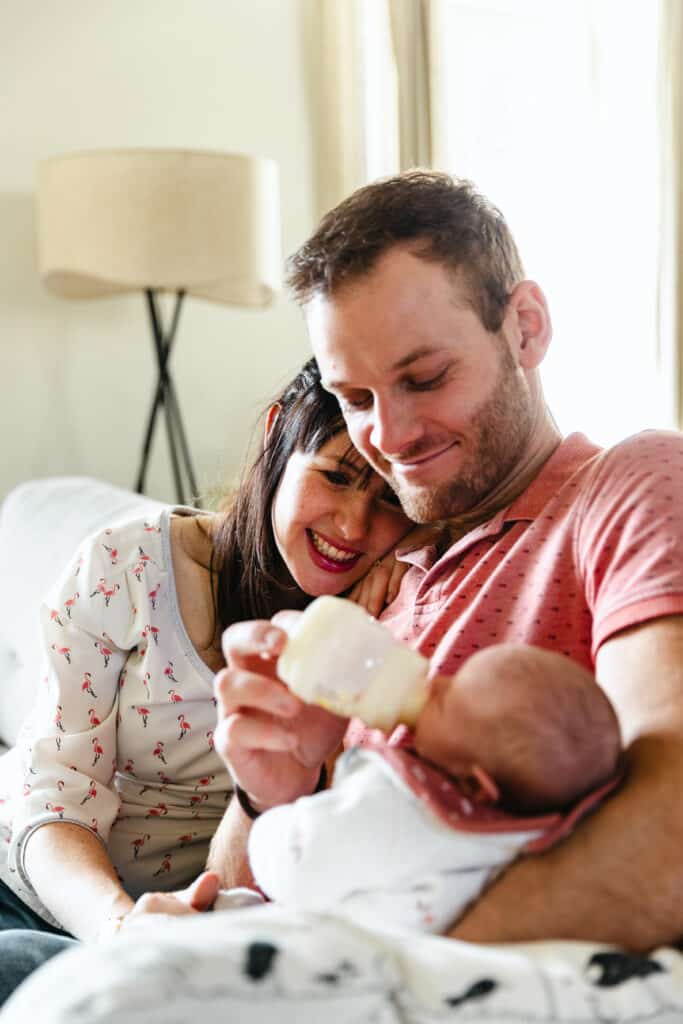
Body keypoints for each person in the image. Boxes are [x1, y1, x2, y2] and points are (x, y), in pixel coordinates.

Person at [211, 170, 683, 953]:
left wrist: (377, 998)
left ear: (525, 327)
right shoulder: (391, 579)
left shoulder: (632, 486)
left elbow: (671, 829)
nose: (388, 438)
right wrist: (270, 791)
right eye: (355, 400)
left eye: (423, 379)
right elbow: (247, 888)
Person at [0, 359, 413, 1003]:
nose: (354, 528)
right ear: (278, 435)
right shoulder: (126, 566)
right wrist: (117, 933)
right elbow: (54, 799)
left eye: (388, 499)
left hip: (181, 932)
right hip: (46, 894)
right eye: (335, 477)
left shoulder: (381, 611)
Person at [248, 642, 622, 934]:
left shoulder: (398, 808)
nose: (437, 681)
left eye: (447, 697)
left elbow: (295, 864)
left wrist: (269, 822)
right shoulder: (520, 839)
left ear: (474, 785)